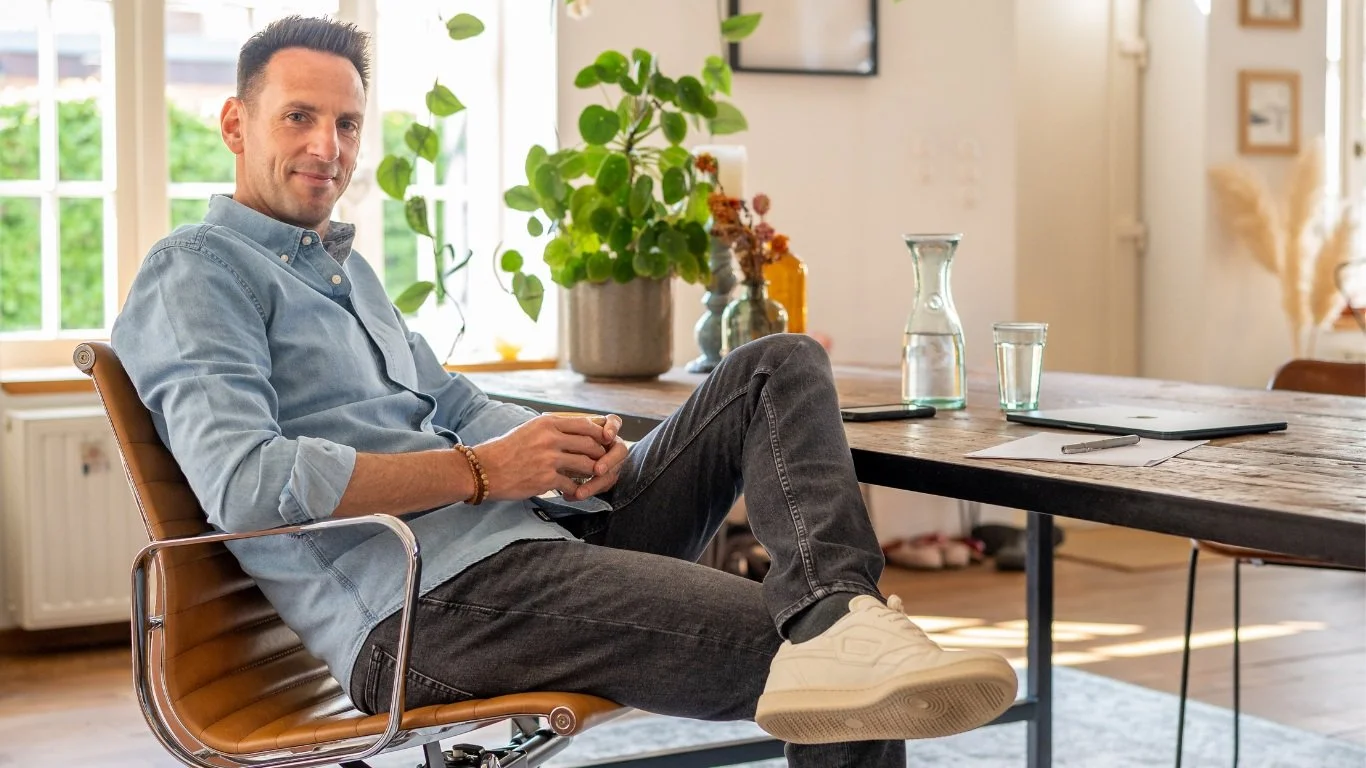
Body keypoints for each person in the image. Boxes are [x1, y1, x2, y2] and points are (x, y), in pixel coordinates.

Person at [110, 16, 1018, 766]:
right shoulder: (197, 271)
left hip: (534, 541)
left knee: (775, 363)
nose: (328, 147)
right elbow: (248, 483)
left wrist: (571, 450)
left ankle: (838, 604)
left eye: (347, 124)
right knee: (838, 667)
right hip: (425, 608)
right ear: (235, 124)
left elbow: (454, 404)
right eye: (299, 118)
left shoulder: (347, 274)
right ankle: (840, 629)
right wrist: (482, 473)